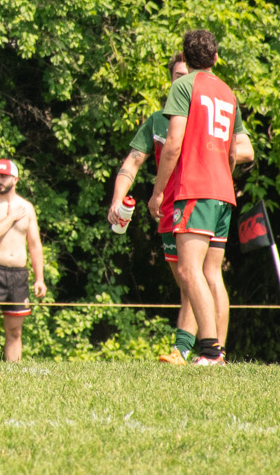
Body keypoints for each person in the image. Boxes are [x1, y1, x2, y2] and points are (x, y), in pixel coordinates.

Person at [107, 52, 251, 363]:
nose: (184, 80)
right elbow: (132, 162)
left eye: (187, 73)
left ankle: (203, 351)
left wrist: (220, 157)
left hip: (193, 198)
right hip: (174, 207)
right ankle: (200, 351)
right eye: (178, 75)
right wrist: (118, 198)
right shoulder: (159, 120)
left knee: (195, 275)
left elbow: (245, 149)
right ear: (172, 81)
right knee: (191, 278)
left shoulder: (203, 113)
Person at [159, 29, 255, 366]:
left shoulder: (184, 86)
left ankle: (210, 351)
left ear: (184, 58)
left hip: (195, 189)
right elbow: (243, 148)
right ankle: (218, 351)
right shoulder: (228, 93)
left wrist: (158, 191)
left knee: (188, 270)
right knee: (212, 273)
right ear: (215, 58)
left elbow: (173, 144)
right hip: (224, 192)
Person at [0, 159, 44, 362]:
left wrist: (40, 278)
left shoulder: (27, 208)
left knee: (15, 331)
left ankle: (13, 376)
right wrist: (12, 217)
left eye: (3, 176)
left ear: (15, 179)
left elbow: (35, 244)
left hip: (18, 274)